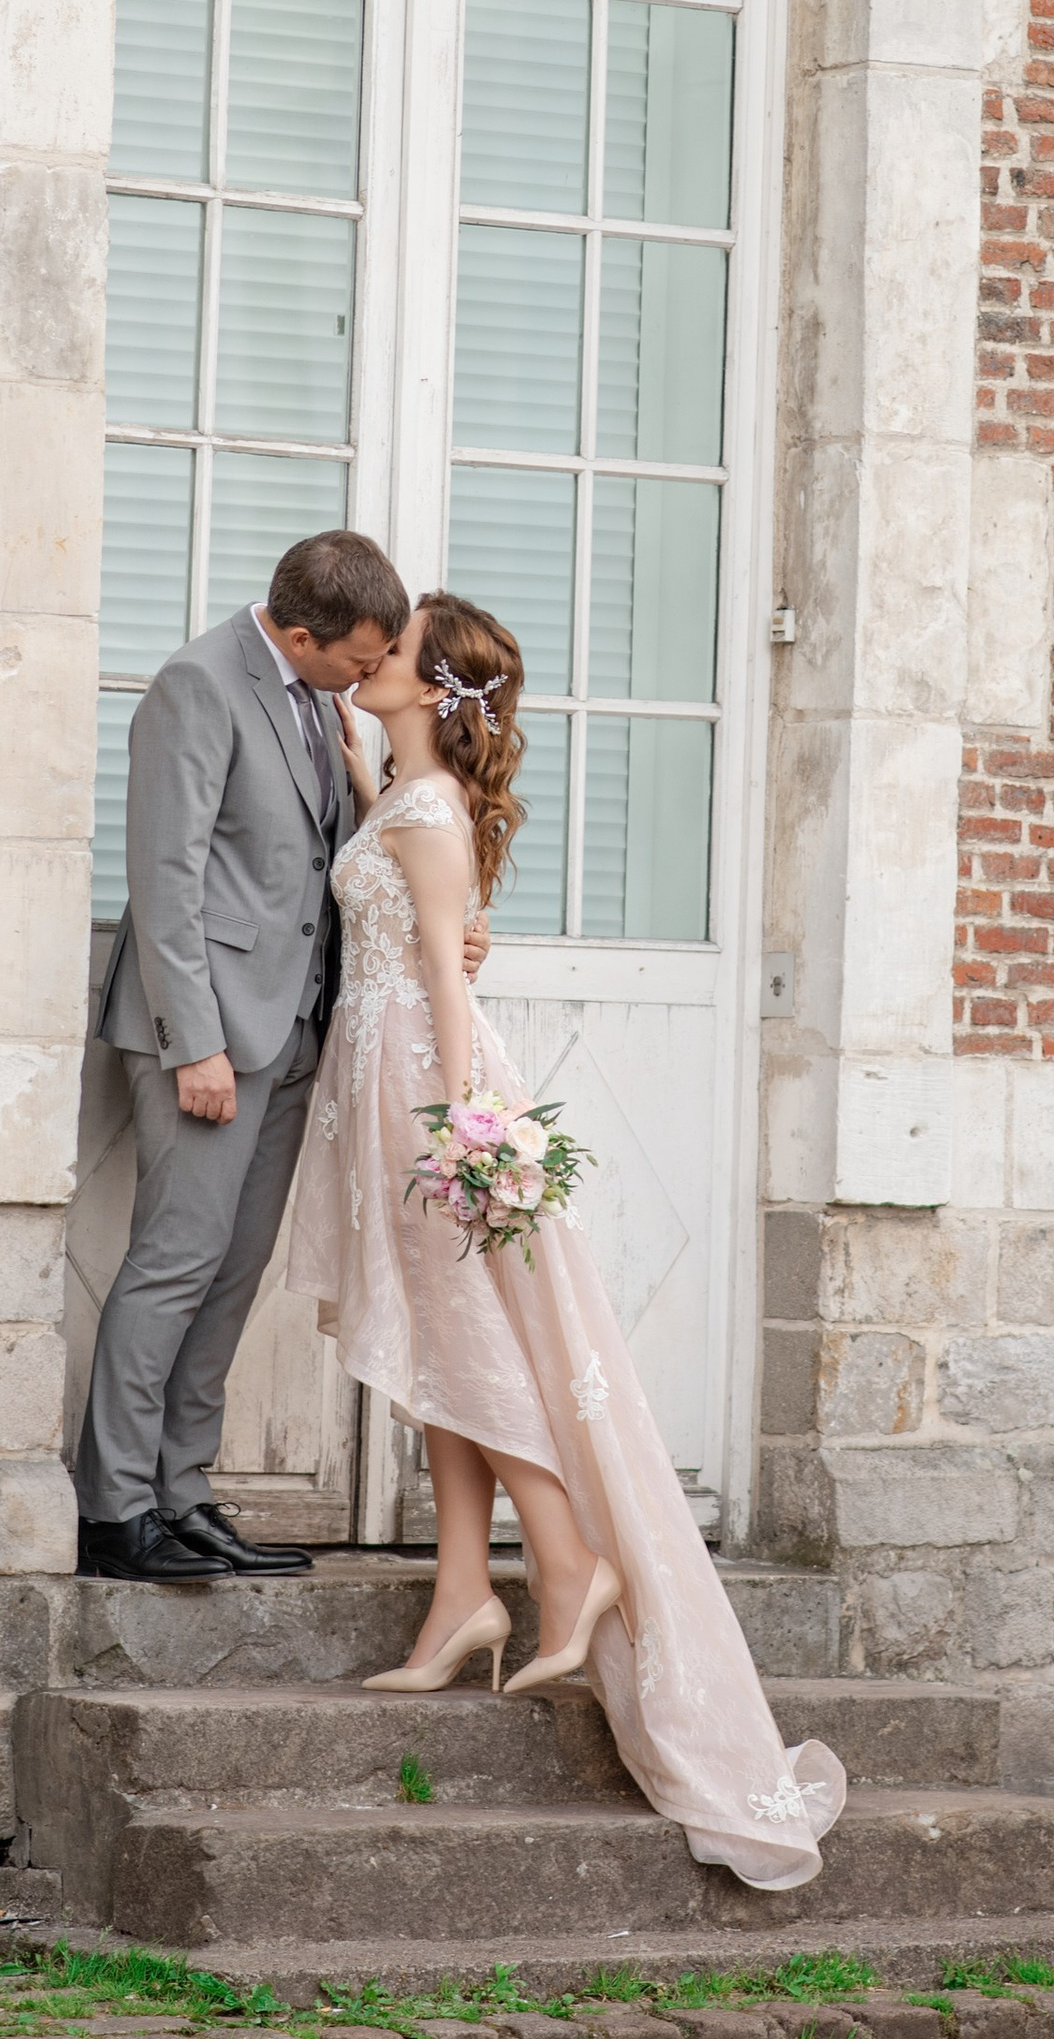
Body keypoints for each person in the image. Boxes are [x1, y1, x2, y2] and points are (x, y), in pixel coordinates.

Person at [287, 590, 846, 1887]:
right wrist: (341, 732)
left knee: (474, 1336)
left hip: (427, 1082)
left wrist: (460, 1123)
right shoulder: (401, 788)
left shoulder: (425, 817)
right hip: (389, 1073)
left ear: (431, 686)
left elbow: (441, 964)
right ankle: (461, 1597)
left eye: (395, 650)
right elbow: (390, 826)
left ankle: (568, 1555)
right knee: (446, 1338)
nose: (372, 660)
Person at [79, 529, 445, 1585]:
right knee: (175, 1261)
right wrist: (193, 1043)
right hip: (206, 1038)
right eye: (358, 657)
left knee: (233, 1273)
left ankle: (182, 1491)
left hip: (294, 1031)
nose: (372, 673)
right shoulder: (197, 686)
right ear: (297, 632)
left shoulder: (321, 703)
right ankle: (115, 1510)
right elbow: (166, 875)